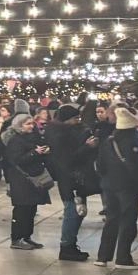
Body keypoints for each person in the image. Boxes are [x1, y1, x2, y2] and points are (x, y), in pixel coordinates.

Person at [45, 105, 92, 262]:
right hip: (70, 179)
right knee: (73, 211)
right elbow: (68, 159)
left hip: (71, 177)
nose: (78, 121)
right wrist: (87, 147)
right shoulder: (61, 135)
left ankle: (70, 245)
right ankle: (67, 247)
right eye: (75, 118)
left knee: (77, 211)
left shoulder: (62, 132)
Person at [96, 107, 138, 269]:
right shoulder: (134, 141)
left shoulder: (109, 140)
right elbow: (136, 166)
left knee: (111, 219)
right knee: (128, 220)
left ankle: (103, 256)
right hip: (128, 187)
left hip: (109, 185)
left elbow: (100, 165)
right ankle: (123, 258)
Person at [0, 112, 52, 249]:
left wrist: (43, 152)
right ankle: (17, 238)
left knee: (31, 209)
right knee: (21, 210)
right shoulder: (15, 141)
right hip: (21, 179)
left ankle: (27, 236)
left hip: (32, 179)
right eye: (28, 124)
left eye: (32, 123)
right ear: (19, 126)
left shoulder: (31, 138)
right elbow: (17, 160)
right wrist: (35, 153)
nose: (31, 126)